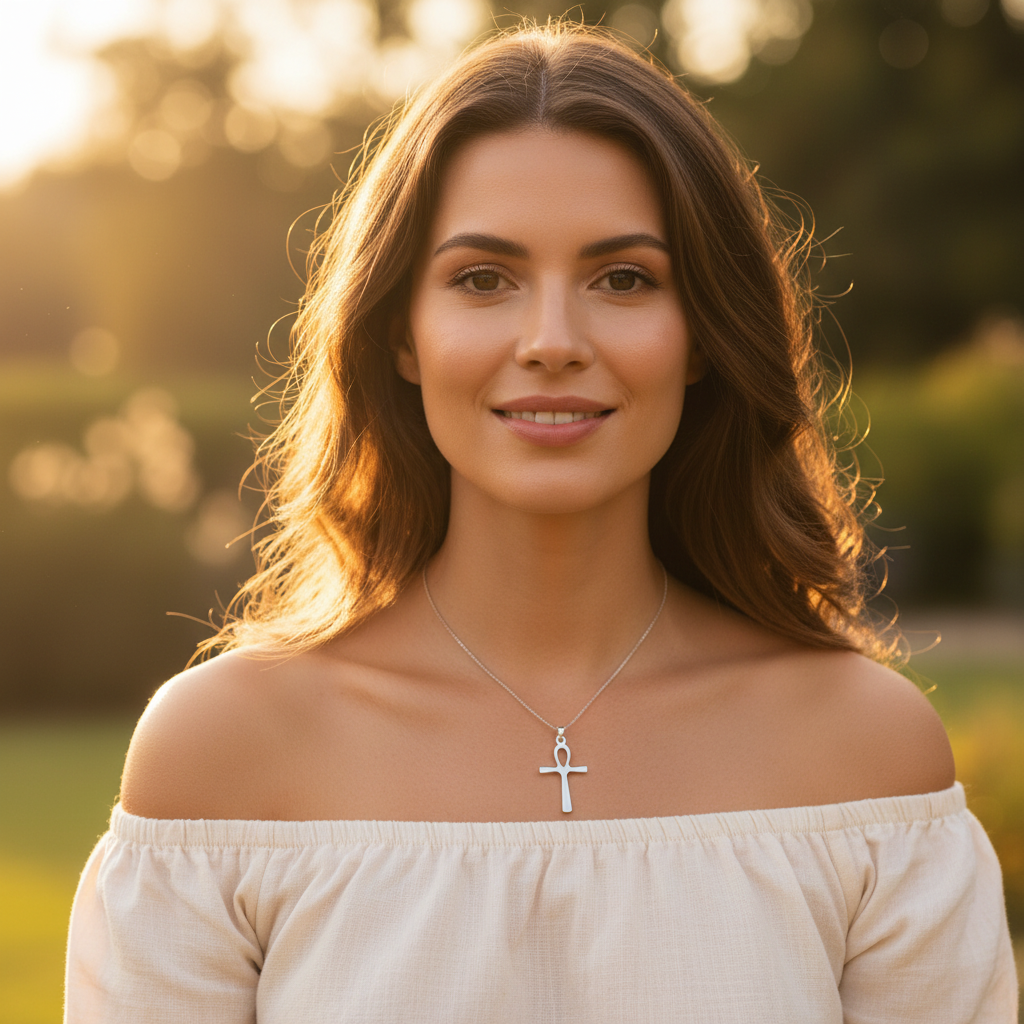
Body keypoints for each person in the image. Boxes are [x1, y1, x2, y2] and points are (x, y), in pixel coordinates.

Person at [65, 22, 1016, 1022]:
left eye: (624, 279)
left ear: (700, 336)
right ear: (400, 333)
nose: (552, 342)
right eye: (483, 279)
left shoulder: (863, 757)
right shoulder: (221, 754)